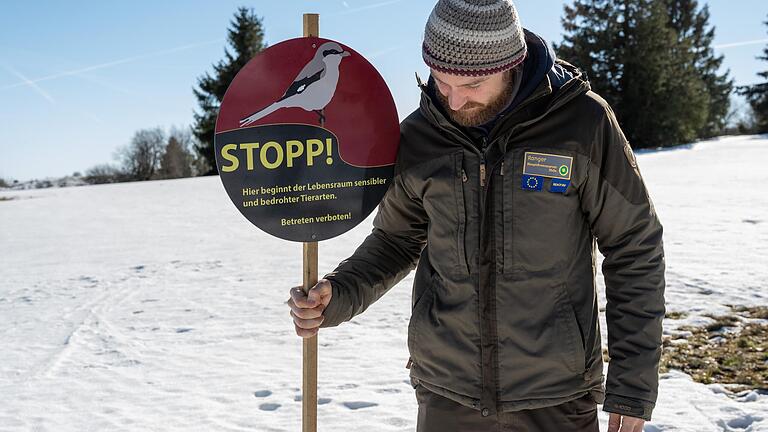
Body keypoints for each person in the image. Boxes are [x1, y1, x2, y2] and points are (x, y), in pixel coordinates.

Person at [286, 0, 666, 430]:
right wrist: (339, 293)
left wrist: (632, 388)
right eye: (441, 81)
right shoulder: (419, 137)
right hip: (447, 395)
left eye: (473, 84)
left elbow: (635, 247)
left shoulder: (582, 124)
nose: (454, 99)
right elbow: (396, 241)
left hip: (556, 397)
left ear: (511, 63)